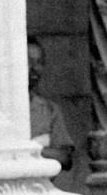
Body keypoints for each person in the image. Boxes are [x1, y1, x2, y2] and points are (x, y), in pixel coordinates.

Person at [28, 36, 75, 170]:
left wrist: (28, 149)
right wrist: (42, 147)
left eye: (40, 62)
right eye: (29, 61)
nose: (35, 68)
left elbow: (65, 158)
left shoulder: (50, 110)